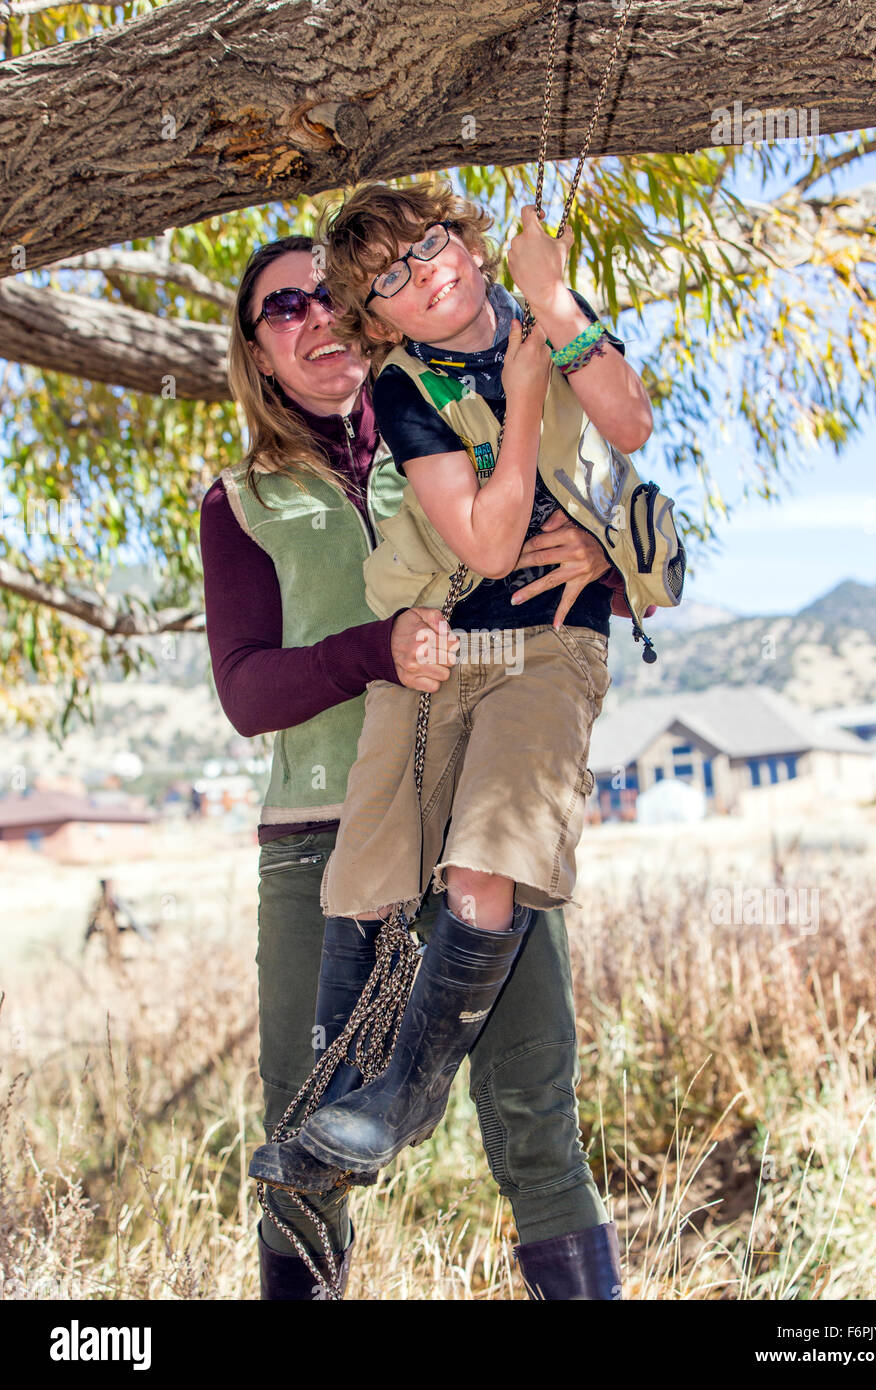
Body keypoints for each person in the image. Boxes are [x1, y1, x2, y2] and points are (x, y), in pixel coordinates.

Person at [245, 180, 652, 1298]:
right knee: (357, 902)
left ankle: (403, 1100)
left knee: (531, 1096)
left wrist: (551, 312)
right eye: (287, 311)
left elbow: (622, 433)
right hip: (385, 747)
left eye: (427, 247)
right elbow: (248, 688)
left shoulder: (497, 349)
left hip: (517, 681)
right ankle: (352, 1120)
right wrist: (382, 647)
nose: (313, 321)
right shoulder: (257, 491)